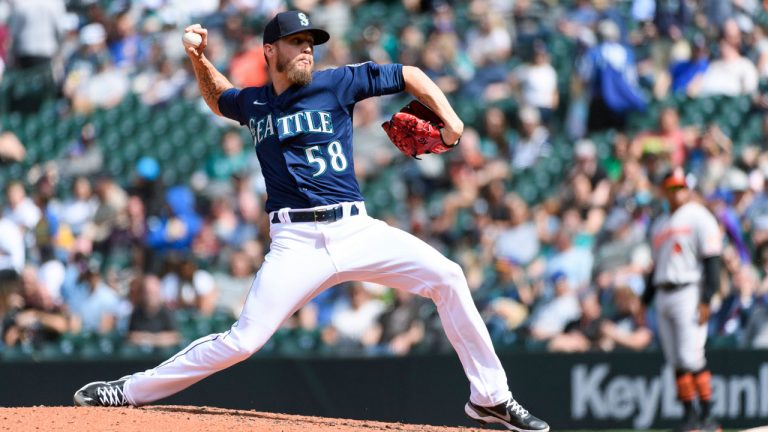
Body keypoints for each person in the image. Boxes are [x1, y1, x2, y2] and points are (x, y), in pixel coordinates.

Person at [73, 11, 549, 432]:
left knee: (448, 276)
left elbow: (410, 73)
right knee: (242, 341)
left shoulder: (336, 83)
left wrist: (450, 118)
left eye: (310, 43)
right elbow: (220, 99)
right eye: (297, 43)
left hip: (356, 229)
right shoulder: (256, 103)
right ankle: (128, 390)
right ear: (269, 51)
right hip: (295, 241)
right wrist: (198, 57)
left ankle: (491, 399)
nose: (306, 50)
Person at [641, 168, 722, 432]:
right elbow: (656, 267)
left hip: (689, 290)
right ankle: (690, 417)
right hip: (663, 292)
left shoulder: (698, 216)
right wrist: (644, 301)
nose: (677, 193)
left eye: (681, 188)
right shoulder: (660, 223)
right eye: (672, 188)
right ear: (664, 191)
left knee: (691, 356)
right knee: (676, 359)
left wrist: (707, 297)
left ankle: (708, 415)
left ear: (687, 189)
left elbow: (712, 259)